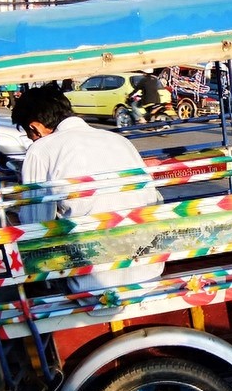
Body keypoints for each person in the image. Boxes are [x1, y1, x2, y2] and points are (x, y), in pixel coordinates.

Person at [11, 84, 164, 293]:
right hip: (150, 275)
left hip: (91, 286)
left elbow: (35, 225)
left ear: (35, 127)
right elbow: (154, 200)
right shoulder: (119, 140)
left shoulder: (41, 150)